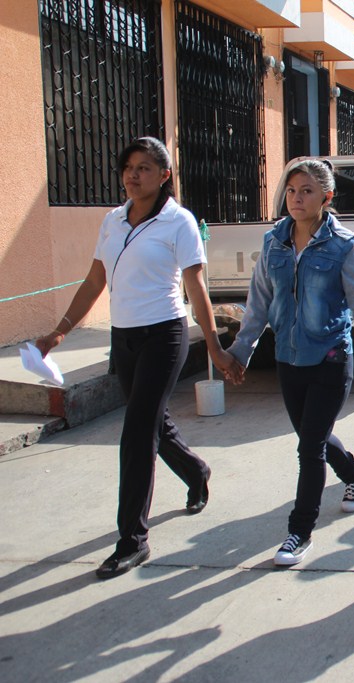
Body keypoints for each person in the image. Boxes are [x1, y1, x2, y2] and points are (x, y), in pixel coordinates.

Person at [35, 137, 237, 579]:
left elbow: (195, 289)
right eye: (128, 166)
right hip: (123, 338)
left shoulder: (178, 222)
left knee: (136, 432)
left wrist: (215, 347)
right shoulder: (112, 220)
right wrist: (60, 331)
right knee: (153, 422)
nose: (133, 174)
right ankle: (196, 470)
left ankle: (132, 540)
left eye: (144, 167)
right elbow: (93, 281)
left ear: (164, 176)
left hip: (163, 336)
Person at [226, 159, 354, 567]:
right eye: (292, 190)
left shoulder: (343, 245)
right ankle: (353, 472)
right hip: (289, 359)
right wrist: (241, 350)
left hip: (332, 358)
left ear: (327, 197)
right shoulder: (273, 242)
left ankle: (299, 531)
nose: (296, 198)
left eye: (307, 191)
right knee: (311, 439)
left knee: (309, 447)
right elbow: (259, 301)